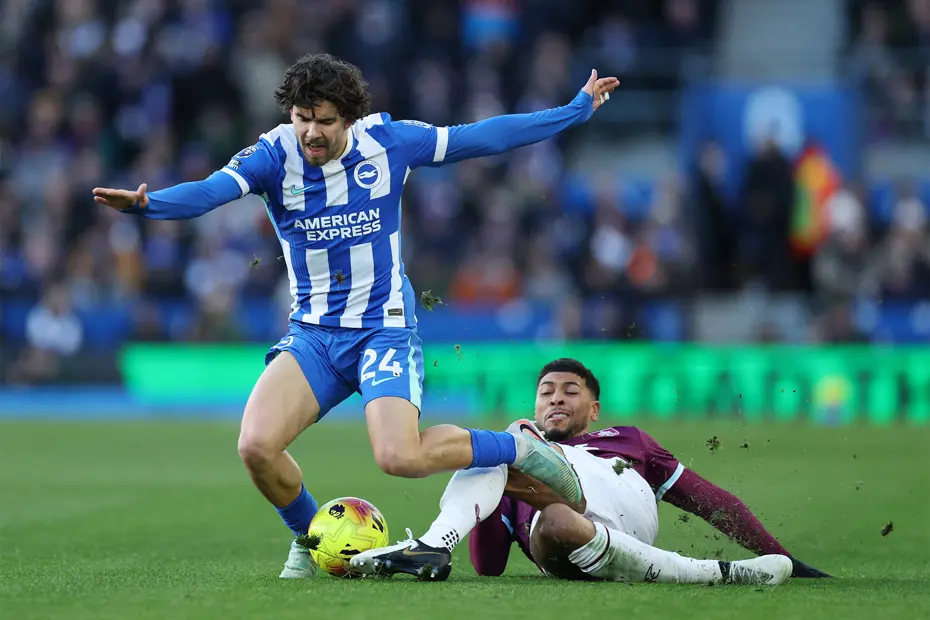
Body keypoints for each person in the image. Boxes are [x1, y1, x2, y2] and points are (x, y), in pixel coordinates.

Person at [92, 54, 620, 579]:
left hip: (382, 328)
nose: (311, 133)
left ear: (349, 117)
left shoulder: (389, 142)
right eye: (303, 118)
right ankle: (309, 537)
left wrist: (573, 110)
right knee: (255, 446)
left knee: (399, 458)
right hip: (315, 335)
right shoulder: (273, 155)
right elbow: (210, 192)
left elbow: (483, 136)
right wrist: (149, 205)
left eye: (324, 120)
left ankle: (516, 446)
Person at [350, 358, 832, 584]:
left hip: (627, 518)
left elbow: (709, 500)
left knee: (506, 448)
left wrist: (786, 556)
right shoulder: (515, 461)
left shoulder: (630, 441)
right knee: (523, 478)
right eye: (546, 391)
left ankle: (432, 547)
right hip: (564, 532)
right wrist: (494, 509)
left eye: (570, 390)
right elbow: (489, 567)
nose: (556, 397)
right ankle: (437, 546)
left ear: (595, 408)